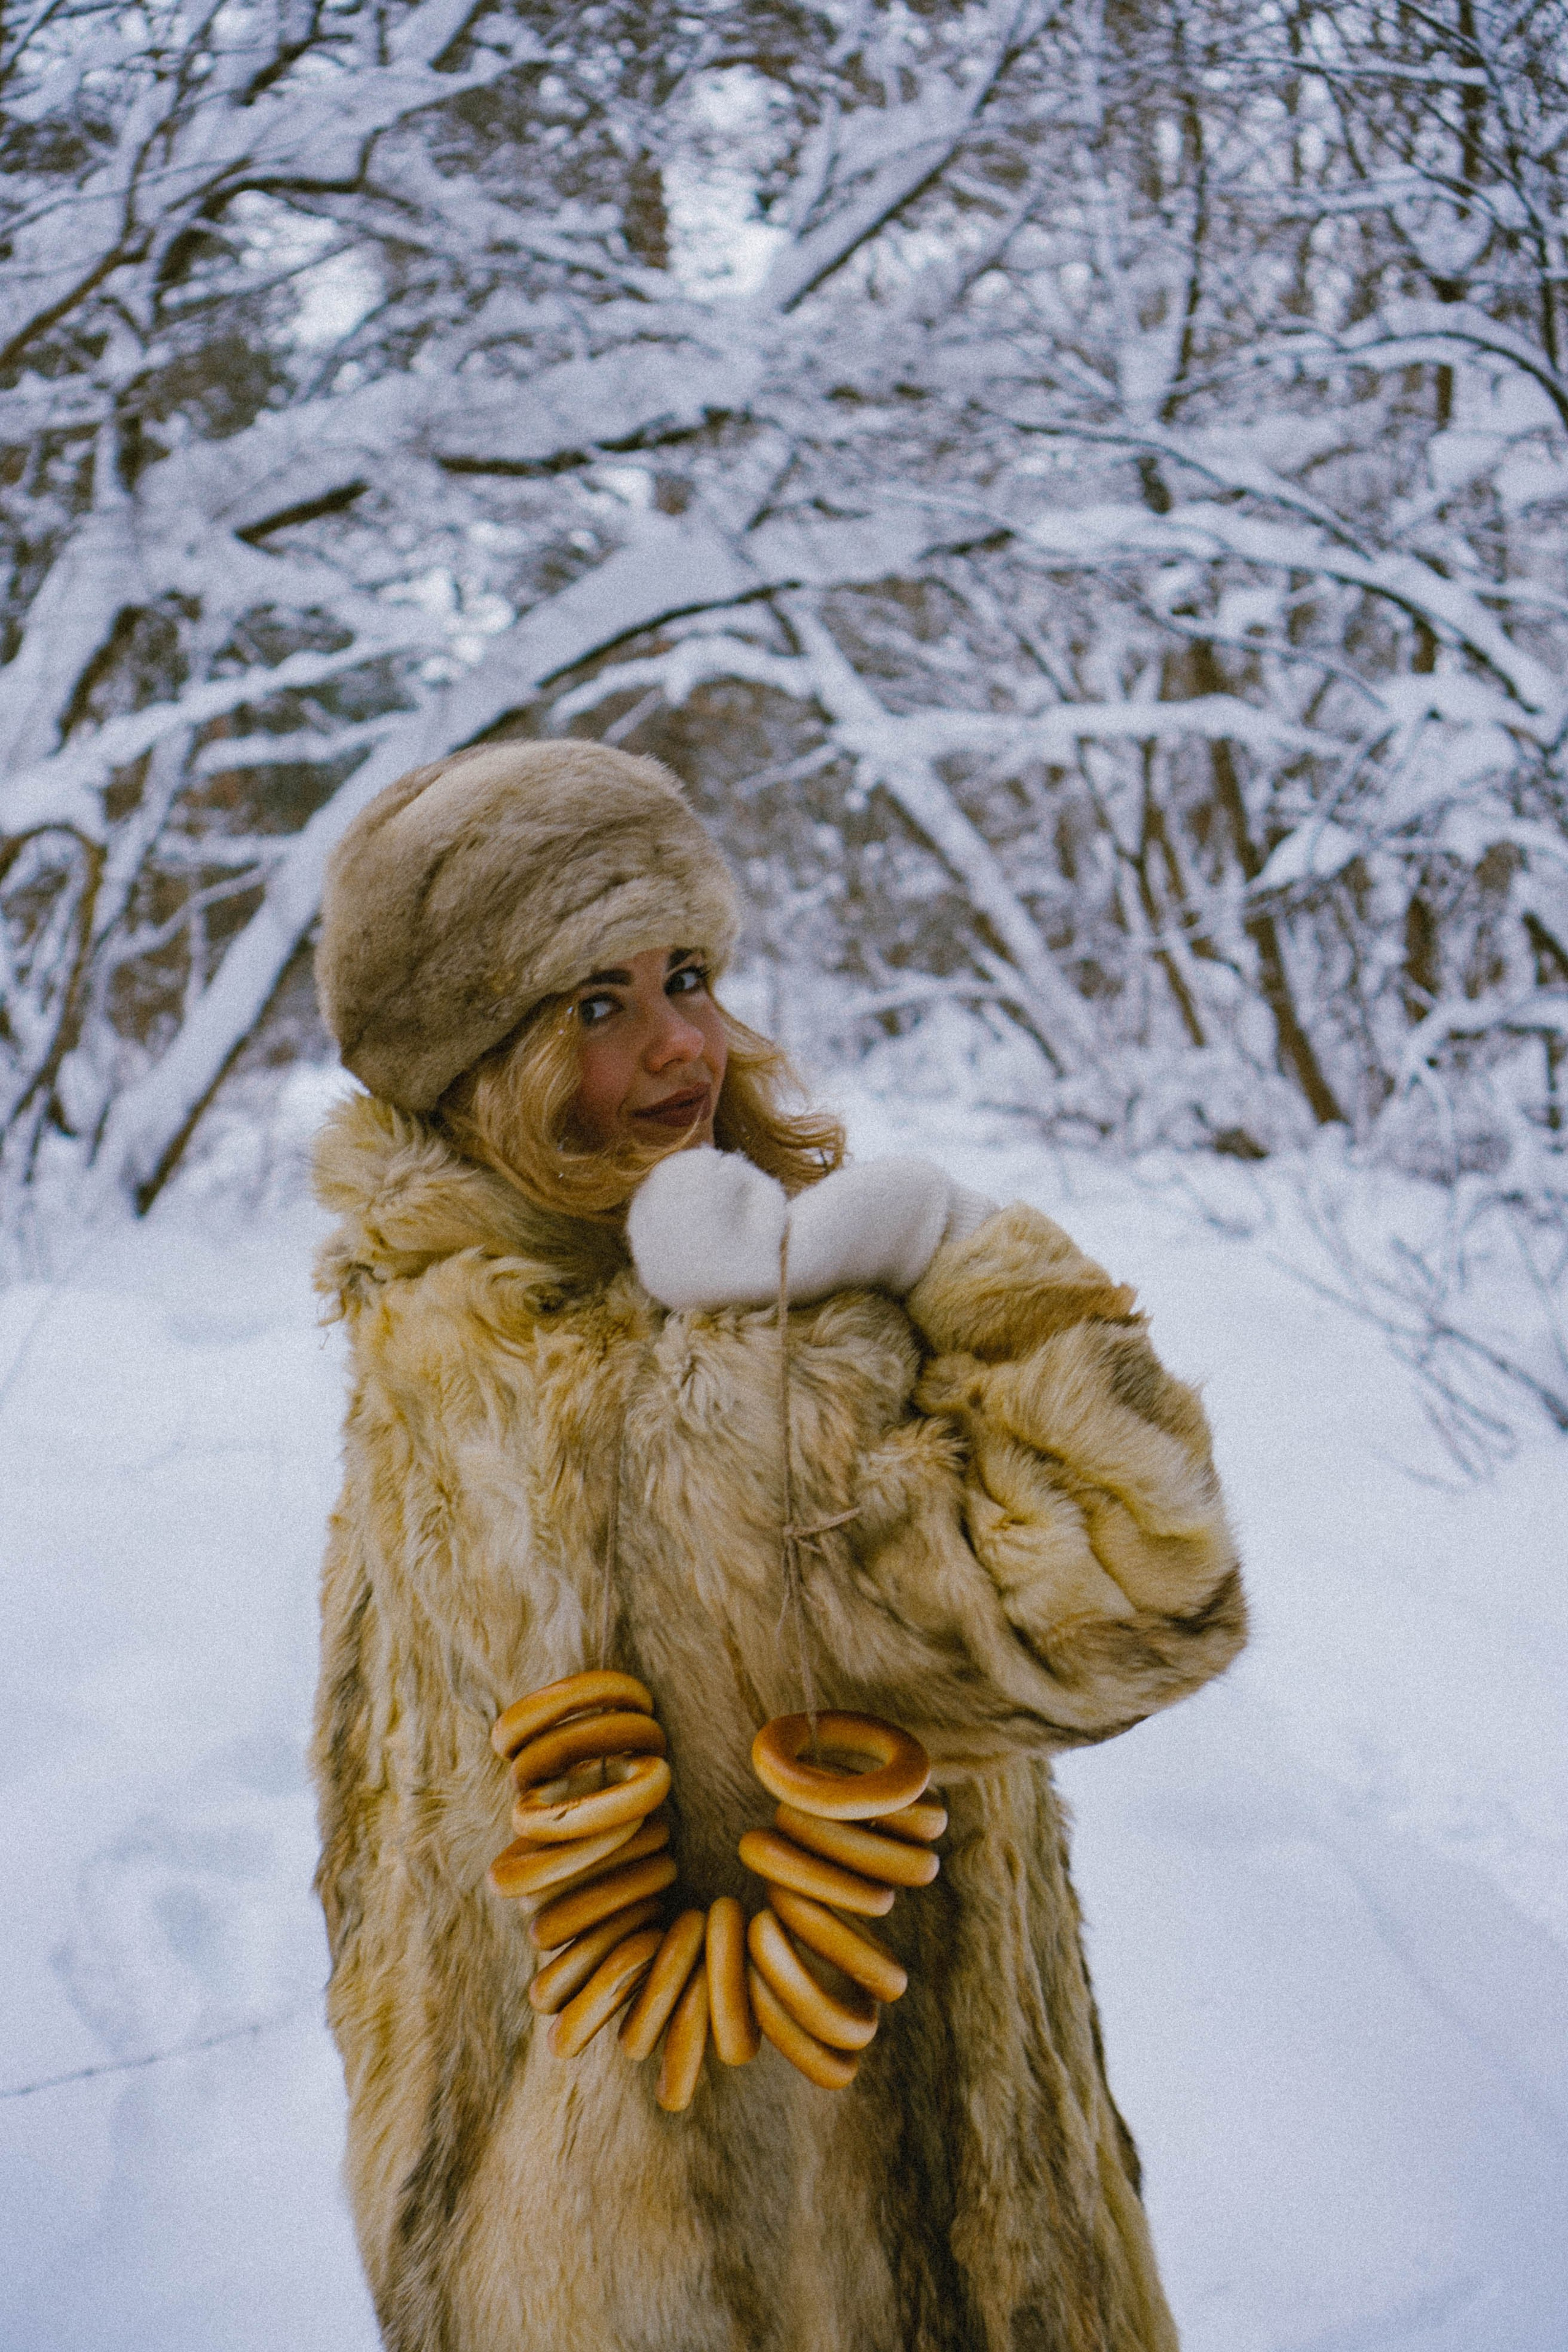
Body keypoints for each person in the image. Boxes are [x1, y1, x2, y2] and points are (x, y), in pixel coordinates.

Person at [309, 738, 1246, 2352]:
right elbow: (1150, 1579)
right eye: (596, 1006)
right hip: (825, 2277)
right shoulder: (713, 1386)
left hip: (535, 2260)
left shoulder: (419, 1347)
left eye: (687, 974)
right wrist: (961, 1253)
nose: (685, 1043)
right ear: (480, 1062)